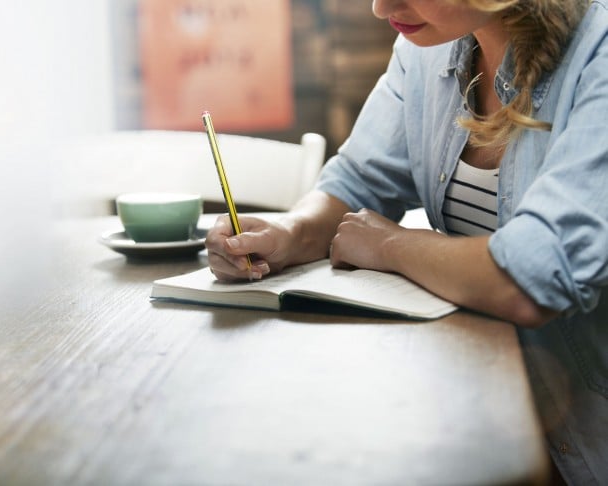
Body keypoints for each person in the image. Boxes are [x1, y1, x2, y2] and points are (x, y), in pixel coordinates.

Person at [205, 0, 607, 483]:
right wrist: (288, 233)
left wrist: (393, 245)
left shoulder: (598, 51)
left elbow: (533, 278)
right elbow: (357, 182)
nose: (380, 8)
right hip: (475, 405)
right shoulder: (426, 48)